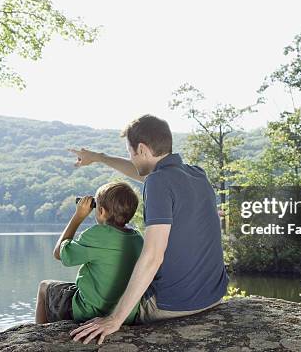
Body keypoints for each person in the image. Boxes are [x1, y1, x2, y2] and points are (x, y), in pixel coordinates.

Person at [68, 114, 229, 345]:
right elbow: (143, 173)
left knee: (71, 294)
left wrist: (115, 319)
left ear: (142, 149)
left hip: (171, 306)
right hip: (212, 297)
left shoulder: (158, 183)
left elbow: (153, 255)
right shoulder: (197, 175)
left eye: (130, 152)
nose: (130, 158)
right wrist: (99, 158)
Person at [34, 181, 144, 325]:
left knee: (44, 286)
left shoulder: (96, 235)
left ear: (101, 211)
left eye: (95, 205)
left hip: (89, 311)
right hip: (126, 315)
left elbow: (58, 253)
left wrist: (78, 217)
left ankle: (40, 336)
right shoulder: (138, 238)